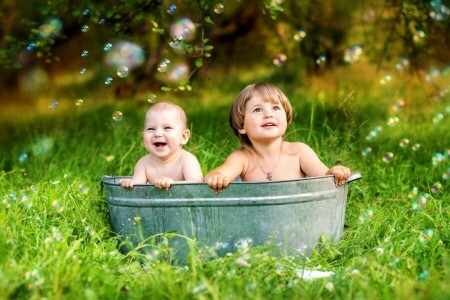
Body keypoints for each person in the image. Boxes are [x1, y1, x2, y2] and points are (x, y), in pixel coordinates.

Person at [205, 82, 351, 194]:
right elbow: (219, 174)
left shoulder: (299, 152)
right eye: (257, 110)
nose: (268, 114)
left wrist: (334, 173)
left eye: (275, 108)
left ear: (286, 119)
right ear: (241, 126)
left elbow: (324, 179)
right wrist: (216, 176)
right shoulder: (242, 158)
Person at [119, 101, 203, 189]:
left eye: (167, 128)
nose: (158, 133)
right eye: (151, 129)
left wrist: (173, 184)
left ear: (184, 137)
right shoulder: (144, 163)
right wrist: (131, 183)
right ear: (143, 135)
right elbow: (138, 187)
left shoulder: (187, 160)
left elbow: (197, 184)